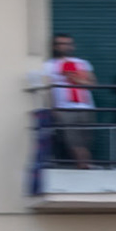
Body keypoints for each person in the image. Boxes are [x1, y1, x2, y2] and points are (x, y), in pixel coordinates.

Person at [43, 34, 98, 169]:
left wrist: (77, 80)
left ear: (72, 46)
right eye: (61, 43)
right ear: (55, 46)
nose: (64, 46)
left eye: (67, 43)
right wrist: (52, 108)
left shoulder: (82, 63)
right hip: (65, 107)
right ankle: (84, 166)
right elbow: (47, 89)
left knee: (85, 140)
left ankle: (85, 165)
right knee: (72, 140)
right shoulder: (49, 65)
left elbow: (93, 83)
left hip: (85, 106)